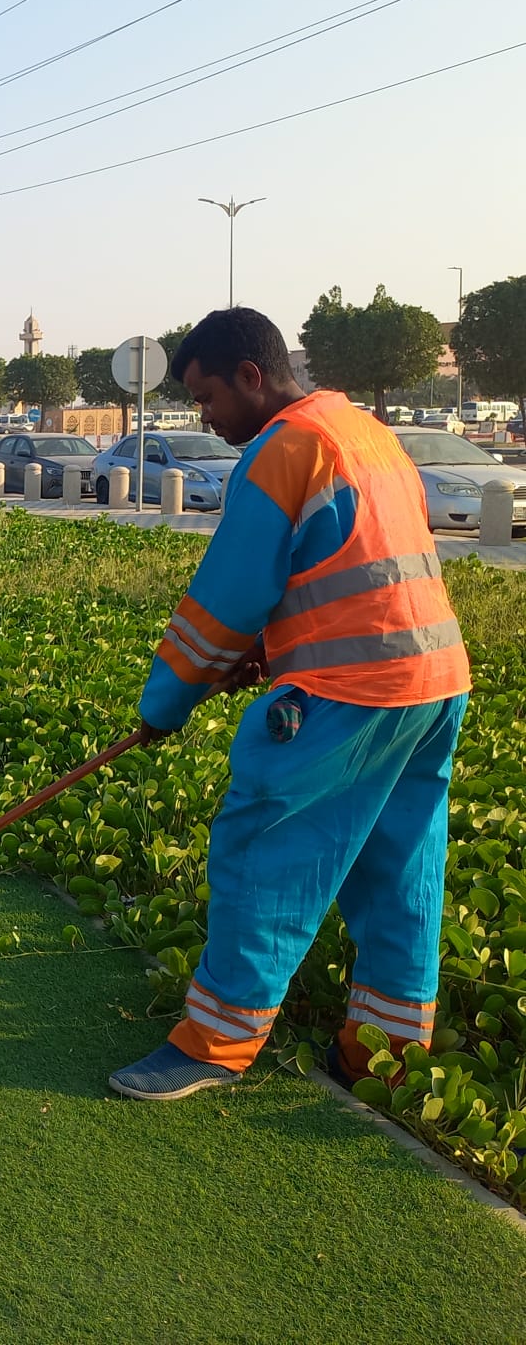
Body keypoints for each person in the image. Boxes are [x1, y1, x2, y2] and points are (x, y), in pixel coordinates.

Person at [107, 308, 471, 1102]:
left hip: (348, 695)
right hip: (436, 682)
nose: (202, 415)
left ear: (250, 376)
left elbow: (225, 600)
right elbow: (355, 565)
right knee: (400, 868)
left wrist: (165, 703)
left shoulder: (283, 450)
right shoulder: (365, 430)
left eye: (205, 396)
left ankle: (215, 1041)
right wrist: (270, 652)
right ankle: (383, 1055)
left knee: (261, 848)